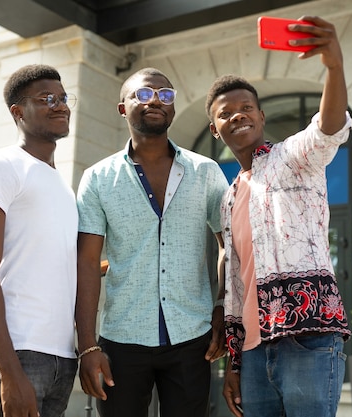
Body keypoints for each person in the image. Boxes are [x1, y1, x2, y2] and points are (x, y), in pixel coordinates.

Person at [205, 16, 352, 417]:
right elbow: (237, 283)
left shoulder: (292, 158)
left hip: (308, 336)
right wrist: (232, 363)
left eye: (246, 108)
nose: (237, 115)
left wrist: (334, 67)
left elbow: (328, 129)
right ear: (214, 130)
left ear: (262, 116)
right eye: (225, 113)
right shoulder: (228, 197)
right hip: (251, 351)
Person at [75, 67, 229, 417]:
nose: (156, 100)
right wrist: (87, 346)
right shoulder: (97, 179)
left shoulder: (205, 172)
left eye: (166, 94)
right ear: (122, 107)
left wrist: (222, 305)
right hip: (122, 339)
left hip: (193, 338)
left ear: (173, 108)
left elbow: (229, 245)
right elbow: (86, 264)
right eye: (143, 94)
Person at [0, 64, 78, 417]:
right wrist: (9, 371)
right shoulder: (1, 165)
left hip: (60, 356)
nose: (60, 105)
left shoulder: (62, 184)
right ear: (17, 111)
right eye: (47, 98)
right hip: (14, 356)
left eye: (62, 97)